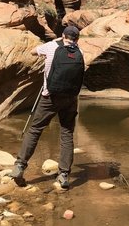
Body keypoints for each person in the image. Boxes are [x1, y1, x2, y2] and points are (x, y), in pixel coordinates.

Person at [10, 25, 84, 190]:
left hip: (49, 97)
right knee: (67, 134)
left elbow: (33, 52)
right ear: (76, 39)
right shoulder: (80, 52)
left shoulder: (51, 47)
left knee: (35, 129)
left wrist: (55, 41)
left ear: (63, 36)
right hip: (70, 99)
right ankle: (64, 175)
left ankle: (20, 165)